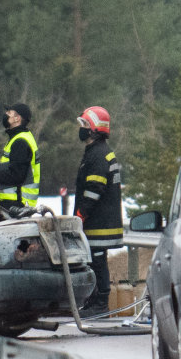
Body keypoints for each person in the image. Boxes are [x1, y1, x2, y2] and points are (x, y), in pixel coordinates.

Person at [74, 106, 123, 316]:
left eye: (85, 125)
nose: (81, 129)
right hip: (98, 221)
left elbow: (94, 190)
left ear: (94, 130)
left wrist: (80, 215)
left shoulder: (97, 155)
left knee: (98, 261)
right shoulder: (97, 152)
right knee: (94, 261)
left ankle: (100, 304)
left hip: (99, 224)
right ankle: (94, 301)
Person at [0, 103, 41, 210]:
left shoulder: (20, 142)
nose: (6, 115)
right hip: (15, 205)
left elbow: (16, 176)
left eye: (9, 113)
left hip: (17, 206)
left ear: (17, 118)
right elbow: (11, 170)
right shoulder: (18, 138)